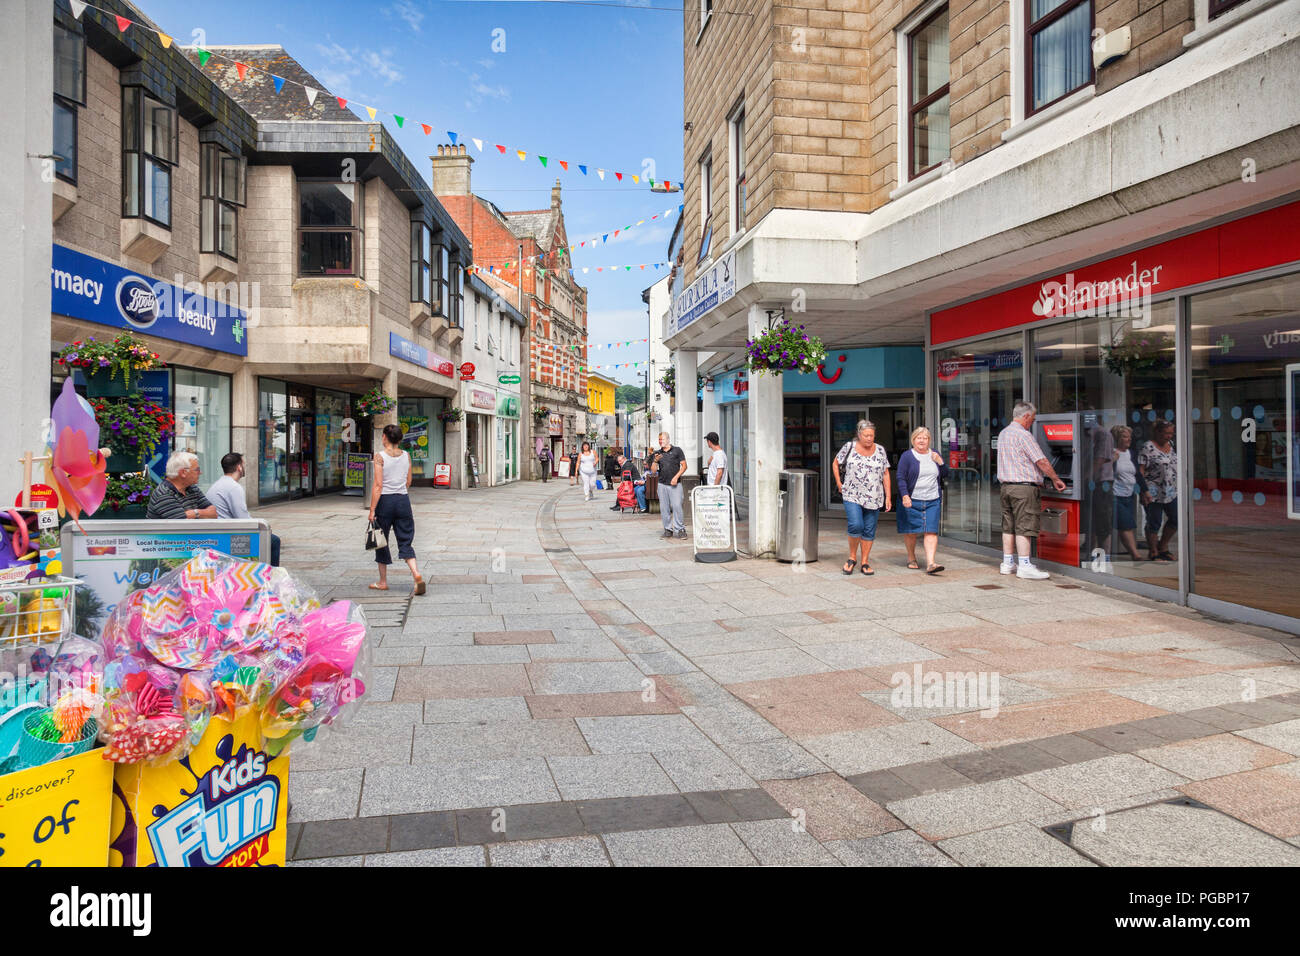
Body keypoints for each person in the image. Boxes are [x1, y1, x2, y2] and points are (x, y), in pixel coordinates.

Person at [996, 401, 1066, 580]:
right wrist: (1056, 479)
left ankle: (1007, 563)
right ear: (1025, 416)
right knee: (1024, 527)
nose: (1032, 423)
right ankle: (1025, 565)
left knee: (1008, 526)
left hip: (1006, 487)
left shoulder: (1003, 433)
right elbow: (1041, 460)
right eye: (1032, 419)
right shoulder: (1023, 435)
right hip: (1023, 488)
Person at [369, 423, 425, 595]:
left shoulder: (379, 457)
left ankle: (383, 581)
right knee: (405, 539)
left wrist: (372, 510)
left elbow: (378, 485)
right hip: (403, 501)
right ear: (400, 439)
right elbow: (408, 481)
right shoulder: (406, 456)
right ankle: (416, 573)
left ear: (384, 437)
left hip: (385, 502)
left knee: (380, 540)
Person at [832, 420, 891, 575]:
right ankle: (852, 557)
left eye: (871, 435)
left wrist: (888, 496)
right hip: (852, 494)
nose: (869, 438)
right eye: (866, 435)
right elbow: (835, 463)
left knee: (869, 530)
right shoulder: (849, 447)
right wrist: (839, 482)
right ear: (859, 435)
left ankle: (865, 561)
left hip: (874, 496)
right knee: (856, 525)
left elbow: (885, 473)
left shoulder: (880, 450)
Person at [208, 452, 281, 566]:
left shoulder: (219, 484)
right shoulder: (233, 487)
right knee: (272, 541)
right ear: (239, 467)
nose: (245, 467)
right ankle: (270, 576)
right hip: (228, 537)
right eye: (244, 464)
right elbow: (243, 520)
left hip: (220, 532)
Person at [896, 426, 949, 574]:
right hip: (912, 500)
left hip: (932, 499)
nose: (922, 441)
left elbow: (945, 473)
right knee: (911, 531)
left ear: (929, 441)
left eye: (925, 438)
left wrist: (940, 462)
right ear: (913, 440)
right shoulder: (907, 456)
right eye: (919, 438)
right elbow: (900, 477)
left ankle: (931, 563)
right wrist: (905, 495)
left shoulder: (935, 454)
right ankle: (911, 557)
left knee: (931, 531)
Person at [1139, 419, 1178, 562]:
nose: (1169, 436)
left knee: (1175, 518)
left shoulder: (1172, 445)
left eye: (1171, 433)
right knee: (1154, 521)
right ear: (1158, 432)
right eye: (1166, 433)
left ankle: (1163, 546)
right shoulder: (1147, 447)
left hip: (1171, 490)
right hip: (1153, 490)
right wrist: (1144, 491)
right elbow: (1141, 471)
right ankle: (1153, 551)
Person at [1110, 425, 1146, 562]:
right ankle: (1135, 554)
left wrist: (1145, 491)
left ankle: (1132, 552)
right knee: (1125, 524)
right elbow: (1103, 472)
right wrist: (1111, 460)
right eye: (1125, 436)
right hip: (1115, 494)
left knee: (1128, 524)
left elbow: (1138, 474)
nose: (1129, 439)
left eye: (1129, 436)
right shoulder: (1111, 453)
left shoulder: (1131, 453)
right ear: (1117, 438)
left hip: (1130, 494)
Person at [146, 451, 218, 520]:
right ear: (183, 472)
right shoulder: (163, 494)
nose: (200, 472)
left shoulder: (192, 488)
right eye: (197, 470)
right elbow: (181, 524)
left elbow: (214, 513)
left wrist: (193, 513)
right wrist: (200, 513)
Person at [1087, 417, 1117, 557]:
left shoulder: (1102, 433)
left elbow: (1100, 458)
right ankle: (1091, 553)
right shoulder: (1087, 433)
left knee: (1103, 521)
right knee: (1091, 520)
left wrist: (1087, 476)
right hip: (1092, 483)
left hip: (1101, 483)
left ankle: (1104, 556)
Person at [655, 431, 688, 539]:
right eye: (659, 440)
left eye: (663, 439)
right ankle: (668, 529)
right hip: (662, 484)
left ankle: (680, 529)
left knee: (677, 506)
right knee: (664, 508)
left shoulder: (677, 450)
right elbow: (653, 470)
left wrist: (676, 477)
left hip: (675, 484)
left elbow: (684, 466)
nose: (661, 442)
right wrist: (655, 461)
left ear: (668, 440)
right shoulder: (657, 453)